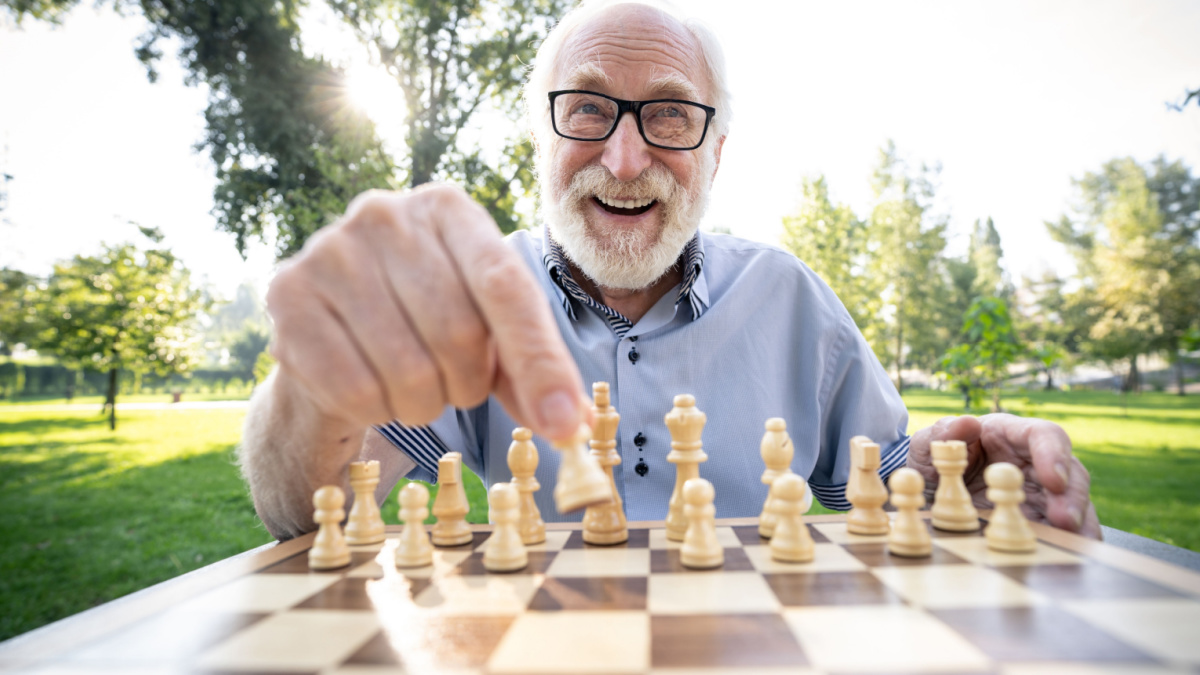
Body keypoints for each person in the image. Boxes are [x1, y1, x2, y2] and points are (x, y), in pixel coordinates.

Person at [239, 0, 1100, 542]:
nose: (622, 159)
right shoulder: (451, 300)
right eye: (585, 109)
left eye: (669, 115)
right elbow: (297, 511)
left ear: (717, 154)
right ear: (539, 140)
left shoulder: (789, 297)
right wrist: (314, 386)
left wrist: (976, 477)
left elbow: (892, 484)